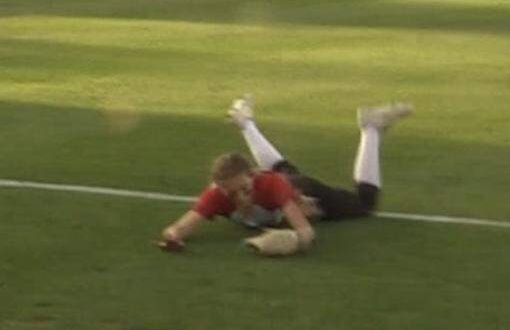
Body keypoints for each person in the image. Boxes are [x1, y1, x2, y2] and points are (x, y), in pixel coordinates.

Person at [158, 96, 413, 256]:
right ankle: (245, 122)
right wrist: (172, 238)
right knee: (284, 170)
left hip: (304, 190)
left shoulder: (272, 187)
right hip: (283, 181)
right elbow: (179, 228)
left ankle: (370, 128)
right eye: (231, 193)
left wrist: (288, 240)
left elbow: (306, 233)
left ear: (253, 175)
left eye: (244, 189)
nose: (239, 197)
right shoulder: (216, 195)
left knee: (365, 204)